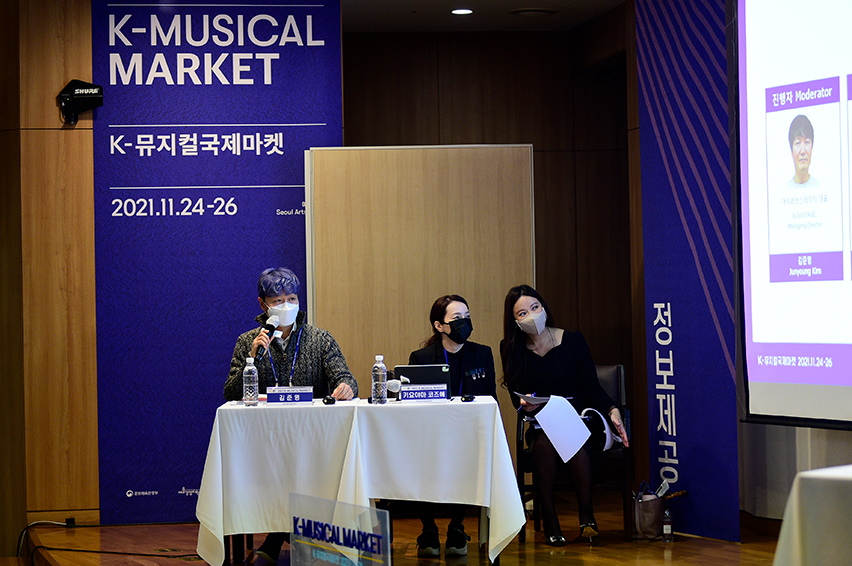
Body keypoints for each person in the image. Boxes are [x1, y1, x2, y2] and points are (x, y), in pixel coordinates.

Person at [224, 267, 358, 564]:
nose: (287, 306)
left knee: (304, 469)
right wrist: (253, 358)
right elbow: (231, 393)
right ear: (263, 304)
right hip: (265, 442)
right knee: (279, 470)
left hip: (313, 440)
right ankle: (290, 539)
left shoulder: (320, 339)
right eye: (278, 300)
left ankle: (275, 541)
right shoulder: (247, 341)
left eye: (292, 298)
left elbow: (346, 379)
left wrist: (346, 387)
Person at [499, 285, 628, 546]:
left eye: (535, 308)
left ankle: (586, 514)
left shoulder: (572, 341)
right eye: (523, 313)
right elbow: (515, 393)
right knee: (545, 443)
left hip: (578, 419)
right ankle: (551, 518)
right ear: (515, 322)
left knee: (572, 438)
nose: (532, 316)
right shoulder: (511, 347)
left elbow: (591, 387)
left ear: (544, 308)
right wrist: (523, 402)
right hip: (540, 423)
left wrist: (612, 409)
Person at [407, 294, 496, 557]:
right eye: (456, 319)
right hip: (430, 435)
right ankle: (429, 530)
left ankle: (457, 527)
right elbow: (412, 405)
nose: (464, 323)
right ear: (439, 326)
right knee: (420, 460)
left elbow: (489, 398)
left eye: (467, 317)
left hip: (468, 434)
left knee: (465, 458)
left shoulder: (482, 354)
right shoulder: (421, 358)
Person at [787, 114, 818, 188]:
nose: (803, 151)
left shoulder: (819, 186)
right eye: (798, 143)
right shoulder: (785, 189)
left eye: (807, 142)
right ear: (792, 150)